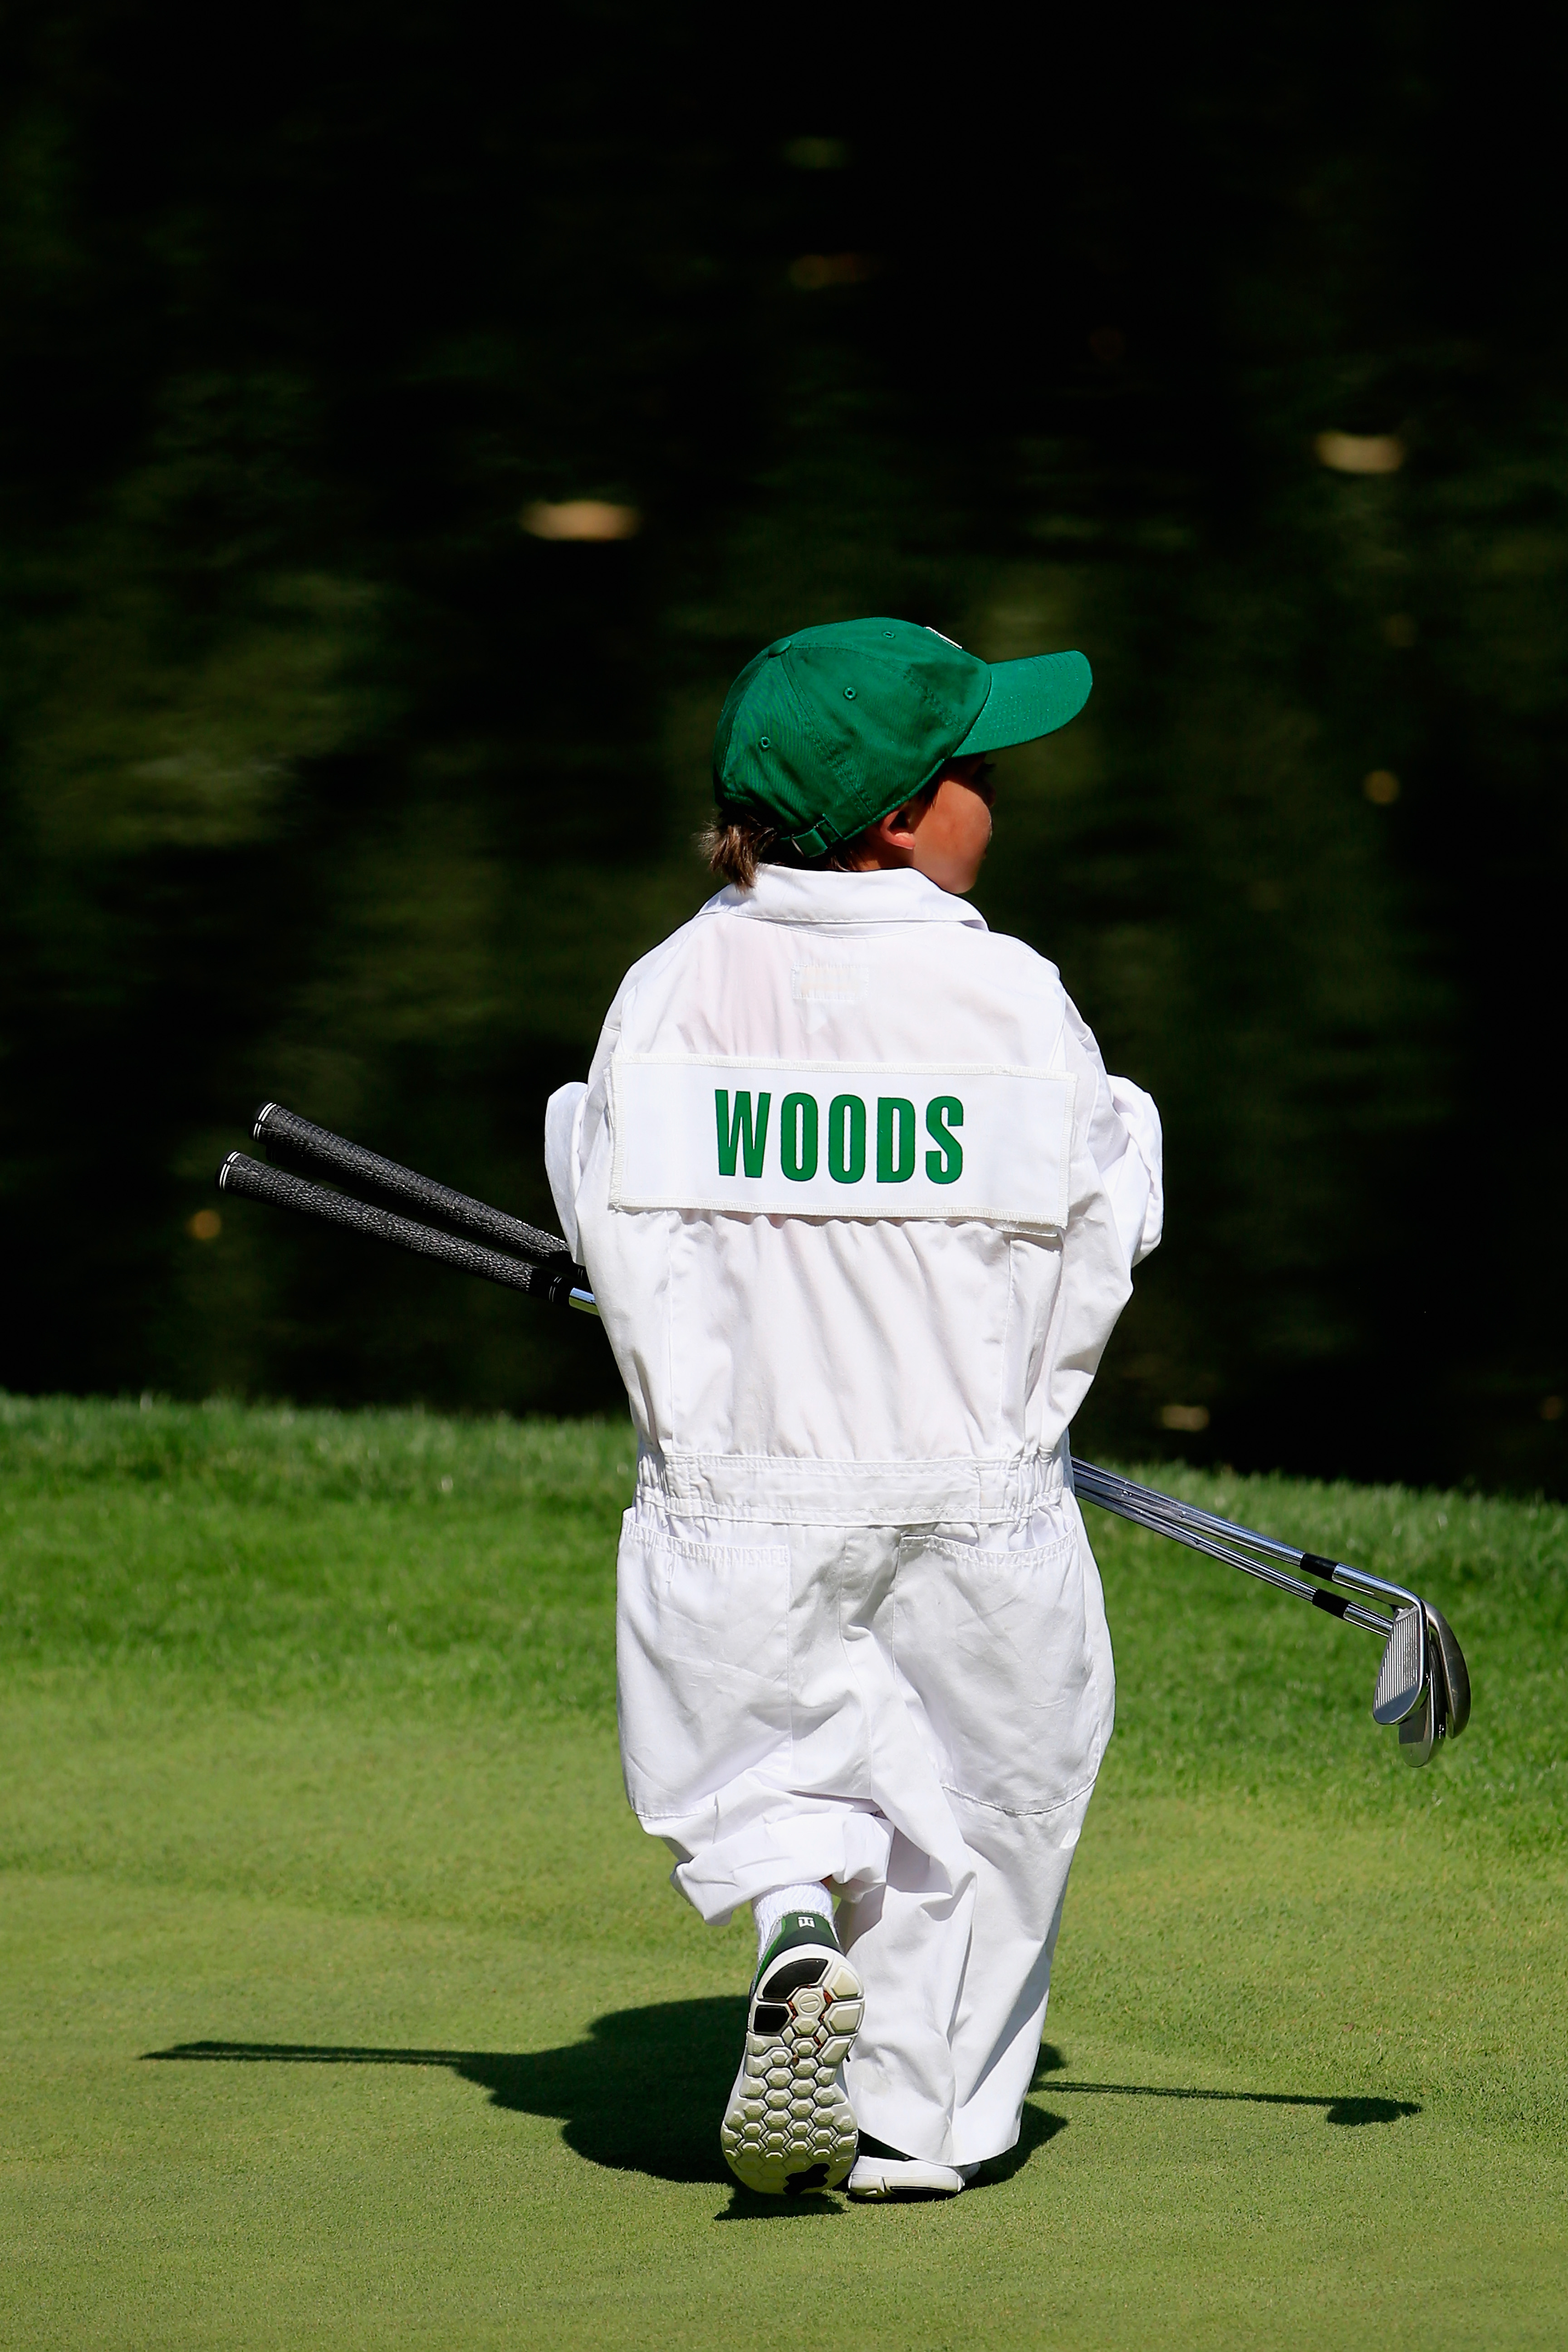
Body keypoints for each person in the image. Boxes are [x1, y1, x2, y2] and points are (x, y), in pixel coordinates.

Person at [544, 617, 1162, 2200]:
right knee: (991, 1802)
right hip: (978, 1497)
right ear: (904, 818)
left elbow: (598, 1189)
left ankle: (797, 1916)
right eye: (977, 773)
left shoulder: (666, 989)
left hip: (736, 1496)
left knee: (771, 1772)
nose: (995, 801)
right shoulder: (1011, 992)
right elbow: (1112, 1215)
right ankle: (918, 2122)